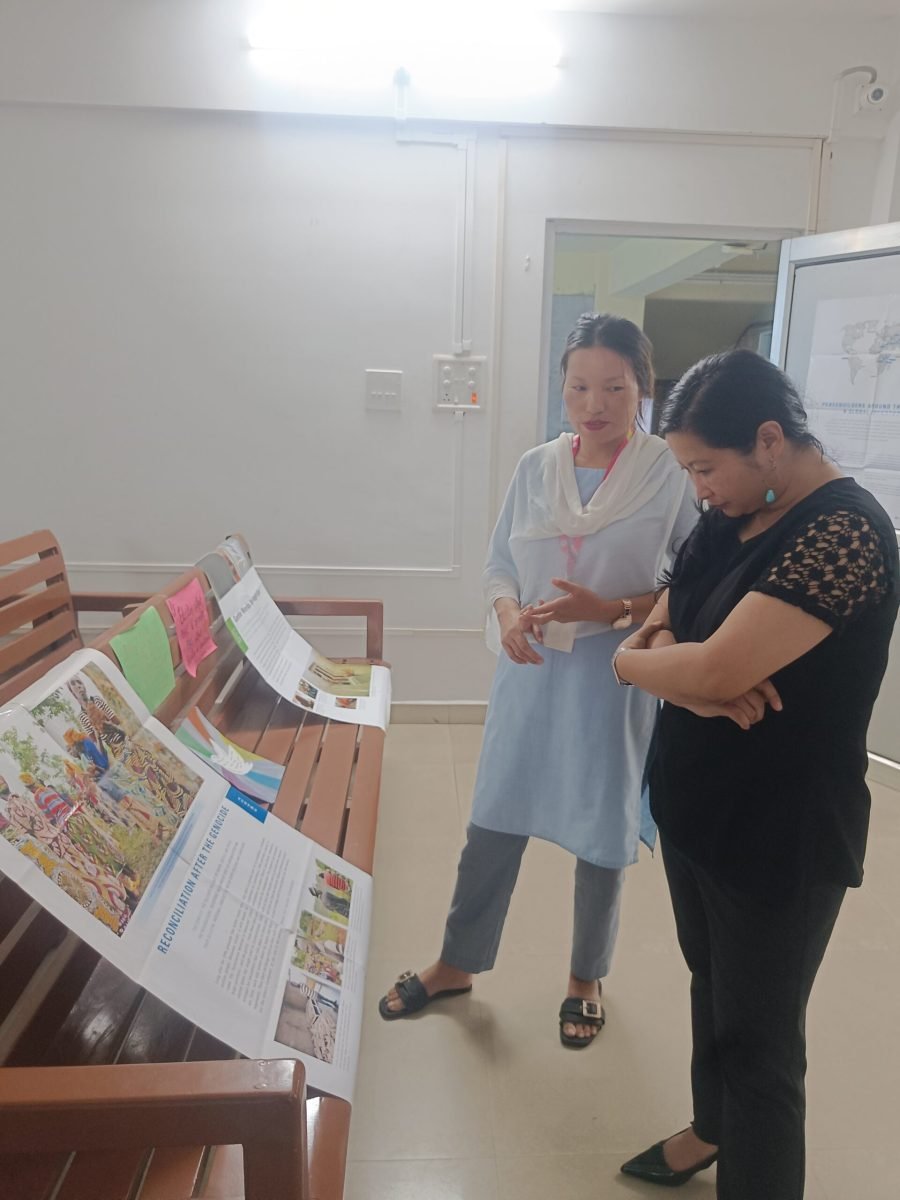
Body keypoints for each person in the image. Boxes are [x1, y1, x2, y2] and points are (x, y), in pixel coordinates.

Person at [613, 350, 899, 1197]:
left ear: (769, 440)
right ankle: (711, 1128)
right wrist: (674, 674)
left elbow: (709, 667)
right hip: (696, 806)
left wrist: (645, 668)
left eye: (706, 467)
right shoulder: (737, 508)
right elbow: (666, 618)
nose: (698, 489)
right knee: (711, 987)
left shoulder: (843, 533)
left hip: (781, 832)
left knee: (762, 1048)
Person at [379, 313, 696, 1045]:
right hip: (529, 674)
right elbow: (498, 565)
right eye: (579, 386)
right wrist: (508, 612)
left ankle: (586, 976)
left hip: (612, 680)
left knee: (601, 830)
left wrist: (610, 609)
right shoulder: (536, 468)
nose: (595, 404)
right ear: (562, 388)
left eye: (614, 387)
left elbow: (690, 585)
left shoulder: (668, 475)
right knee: (494, 817)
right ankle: (458, 961)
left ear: (641, 389)